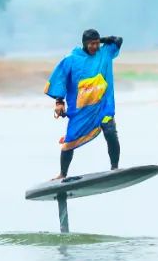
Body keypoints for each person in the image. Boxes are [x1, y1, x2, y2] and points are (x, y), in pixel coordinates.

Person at [45, 29, 123, 180]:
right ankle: (62, 174)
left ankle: (115, 168)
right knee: (70, 139)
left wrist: (101, 40)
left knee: (110, 131)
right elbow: (60, 78)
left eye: (96, 43)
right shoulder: (72, 59)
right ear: (84, 44)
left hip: (103, 106)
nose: (94, 46)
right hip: (82, 110)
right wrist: (59, 102)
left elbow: (118, 40)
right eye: (91, 44)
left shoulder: (105, 53)